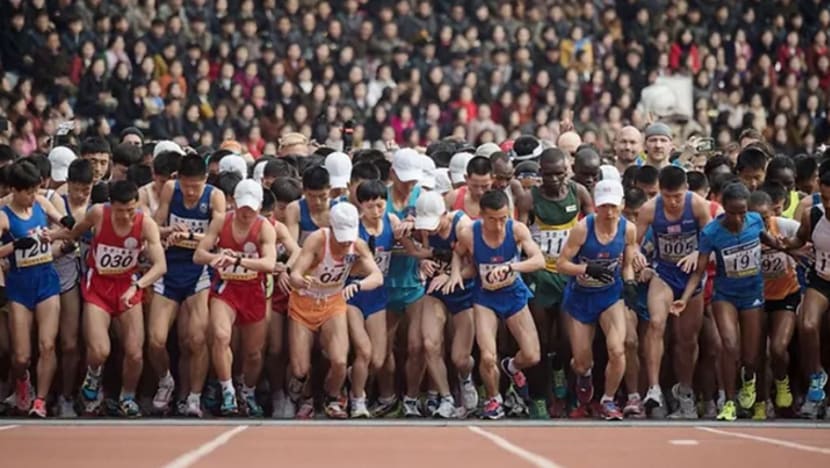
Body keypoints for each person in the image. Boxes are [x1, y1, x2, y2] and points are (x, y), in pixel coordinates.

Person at [673, 182, 783, 421]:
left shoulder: (755, 220)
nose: (737, 218)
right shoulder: (712, 232)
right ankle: (730, 402)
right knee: (729, 345)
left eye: (741, 212)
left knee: (751, 357)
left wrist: (791, 248)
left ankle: (749, 379)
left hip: (752, 293)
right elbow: (698, 270)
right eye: (732, 212)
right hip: (725, 295)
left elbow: (770, 241)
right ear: (724, 209)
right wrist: (683, 298)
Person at [55, 180, 166, 417]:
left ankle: (127, 397)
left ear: (136, 205)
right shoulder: (98, 214)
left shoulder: (145, 224)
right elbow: (73, 234)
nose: (126, 217)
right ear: (110, 205)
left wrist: (137, 284)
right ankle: (93, 376)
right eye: (120, 211)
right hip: (98, 288)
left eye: (130, 210)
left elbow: (160, 266)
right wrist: (53, 236)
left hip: (127, 286)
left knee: (135, 352)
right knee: (100, 350)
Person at [450, 189, 544, 419]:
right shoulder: (469, 233)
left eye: (503, 218)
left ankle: (511, 367)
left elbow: (538, 260)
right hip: (486, 298)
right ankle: (494, 399)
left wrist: (512, 267)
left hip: (514, 295)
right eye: (492, 219)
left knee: (532, 356)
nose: (499, 225)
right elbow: (457, 253)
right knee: (488, 356)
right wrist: (455, 274)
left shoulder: (517, 230)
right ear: (481, 215)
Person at [287, 202, 383, 419]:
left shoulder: (357, 245)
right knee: (300, 369)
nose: (345, 242)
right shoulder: (318, 240)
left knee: (339, 361)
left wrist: (358, 284)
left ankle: (333, 397)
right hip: (304, 302)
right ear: (331, 227)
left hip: (333, 302)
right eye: (341, 237)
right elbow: (295, 273)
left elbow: (377, 276)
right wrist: (301, 281)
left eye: (348, 236)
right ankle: (306, 396)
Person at [150, 154, 226, 416]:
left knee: (196, 339)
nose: (191, 192)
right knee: (156, 340)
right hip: (169, 269)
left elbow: (218, 239)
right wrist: (168, 233)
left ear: (205, 181)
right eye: (186, 186)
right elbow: (154, 227)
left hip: (198, 271)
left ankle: (194, 396)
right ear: (177, 180)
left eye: (196, 186)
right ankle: (165, 380)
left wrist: (189, 235)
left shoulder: (215, 197)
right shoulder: (171, 190)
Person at [194, 179, 277, 416]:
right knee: (220, 336)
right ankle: (227, 390)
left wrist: (238, 260)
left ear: (259, 207)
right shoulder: (221, 221)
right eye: (243, 208)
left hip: (253, 291)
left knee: (253, 352)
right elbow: (199, 254)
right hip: (226, 288)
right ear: (234, 203)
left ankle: (247, 392)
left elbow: (269, 263)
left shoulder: (264, 227)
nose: (246, 213)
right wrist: (216, 257)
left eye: (251, 209)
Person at [634, 166, 712, 418]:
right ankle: (654, 389)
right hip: (664, 273)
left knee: (686, 340)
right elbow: (631, 243)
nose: (674, 202)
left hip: (693, 276)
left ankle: (685, 392)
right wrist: (637, 256)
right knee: (656, 323)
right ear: (660, 193)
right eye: (668, 196)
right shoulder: (649, 209)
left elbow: (712, 239)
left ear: (686, 190)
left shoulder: (698, 205)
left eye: (678, 196)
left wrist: (696, 252)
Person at [557, 179, 638, 420]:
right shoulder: (583, 229)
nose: (609, 212)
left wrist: (631, 283)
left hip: (609, 296)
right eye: (604, 206)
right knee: (581, 361)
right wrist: (585, 269)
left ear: (622, 205)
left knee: (617, 349)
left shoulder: (628, 229)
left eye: (614, 206)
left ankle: (608, 400)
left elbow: (627, 264)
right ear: (595, 206)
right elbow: (561, 264)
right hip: (581, 297)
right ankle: (584, 376)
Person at [526, 147, 593, 418]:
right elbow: (520, 235)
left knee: (567, 339)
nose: (554, 180)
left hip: (568, 273)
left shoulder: (578, 193)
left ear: (567, 172)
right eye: (548, 175)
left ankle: (560, 376)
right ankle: (539, 398)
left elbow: (593, 227)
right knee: (539, 342)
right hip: (540, 274)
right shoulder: (528, 198)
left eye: (559, 174)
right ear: (540, 174)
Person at [0, 160, 70, 417]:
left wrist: (61, 230)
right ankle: (22, 382)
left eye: (36, 190)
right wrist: (16, 246)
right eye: (28, 192)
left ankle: (40, 400)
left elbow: (63, 221)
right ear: (14, 191)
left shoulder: (40, 202)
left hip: (46, 281)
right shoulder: (4, 216)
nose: (33, 196)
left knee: (47, 345)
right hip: (19, 286)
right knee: (20, 357)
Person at [415, 190, 478, 418]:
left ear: (444, 214)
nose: (429, 229)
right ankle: (446, 398)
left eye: (434, 224)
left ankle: (466, 378)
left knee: (460, 357)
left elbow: (478, 265)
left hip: (465, 292)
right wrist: (423, 263)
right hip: (436, 291)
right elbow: (424, 251)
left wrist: (454, 274)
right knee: (429, 343)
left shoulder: (464, 228)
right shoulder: (425, 227)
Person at [780, 169, 830, 419]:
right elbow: (799, 239)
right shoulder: (814, 214)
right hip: (820, 281)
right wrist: (784, 244)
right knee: (808, 325)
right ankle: (816, 378)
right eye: (827, 199)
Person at [48, 159, 94, 417]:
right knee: (68, 342)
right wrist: (67, 245)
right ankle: (62, 395)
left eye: (86, 189)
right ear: (68, 183)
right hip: (64, 273)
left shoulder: (96, 202)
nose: (81, 194)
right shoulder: (57, 199)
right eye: (77, 189)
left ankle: (84, 393)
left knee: (92, 342)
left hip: (93, 273)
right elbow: (55, 242)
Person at [749, 190, 799, 418]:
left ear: (772, 213)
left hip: (786, 295)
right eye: (754, 217)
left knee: (778, 348)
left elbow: (806, 240)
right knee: (757, 353)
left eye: (764, 218)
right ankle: (761, 401)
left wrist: (795, 249)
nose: (760, 224)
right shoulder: (743, 231)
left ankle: (781, 381)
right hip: (755, 298)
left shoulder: (785, 226)